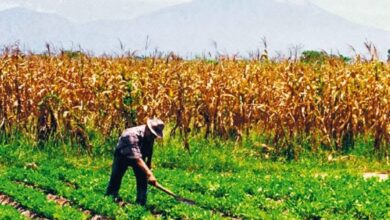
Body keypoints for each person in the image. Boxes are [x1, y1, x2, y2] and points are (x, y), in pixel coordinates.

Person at [105, 117, 164, 206]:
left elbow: (149, 150)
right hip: (122, 155)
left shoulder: (150, 136)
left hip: (138, 154)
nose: (154, 137)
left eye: (155, 135)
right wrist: (150, 174)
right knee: (116, 177)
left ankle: (140, 204)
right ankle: (110, 197)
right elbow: (136, 158)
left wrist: (148, 165)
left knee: (142, 179)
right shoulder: (131, 135)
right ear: (147, 128)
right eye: (153, 134)